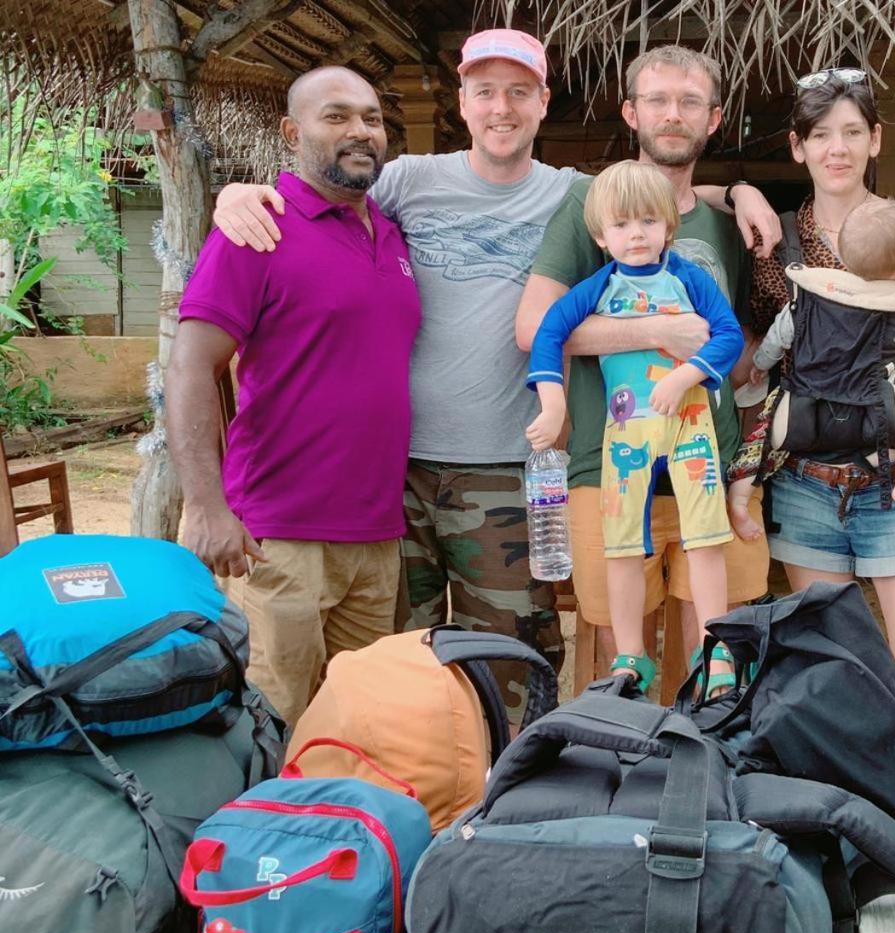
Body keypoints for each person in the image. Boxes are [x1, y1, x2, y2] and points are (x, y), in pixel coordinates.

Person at [211, 32, 776, 720]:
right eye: (485, 91)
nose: (501, 108)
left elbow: (657, 192)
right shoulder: (408, 180)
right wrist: (246, 192)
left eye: (518, 92)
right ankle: (419, 792)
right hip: (397, 470)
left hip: (511, 466)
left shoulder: (577, 194)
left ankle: (510, 795)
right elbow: (324, 189)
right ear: (462, 102)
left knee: (513, 657)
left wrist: (740, 190)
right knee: (401, 655)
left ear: (543, 103)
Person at [749, 68, 895, 822]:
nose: (836, 148)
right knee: (833, 686)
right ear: (799, 147)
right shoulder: (777, 239)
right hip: (806, 487)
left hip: (894, 486)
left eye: (852, 131)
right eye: (820, 135)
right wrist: (731, 192)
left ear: (876, 139)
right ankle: (855, 849)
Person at [167, 67, 420, 728]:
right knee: (268, 726)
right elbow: (192, 365)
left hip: (375, 537)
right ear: (292, 132)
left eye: (371, 117)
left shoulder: (391, 236)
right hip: (277, 538)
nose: (360, 131)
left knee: (359, 729)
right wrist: (203, 504)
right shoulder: (258, 231)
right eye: (336, 116)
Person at [516, 46, 773, 676]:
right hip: (609, 460)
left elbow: (731, 344)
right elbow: (534, 330)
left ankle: (705, 768)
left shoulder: (721, 224)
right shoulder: (593, 209)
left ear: (713, 119)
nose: (672, 115)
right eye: (657, 100)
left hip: (706, 453)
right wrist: (664, 332)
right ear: (631, 111)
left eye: (689, 102)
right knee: (615, 652)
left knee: (714, 647)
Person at [526, 161, 745, 693]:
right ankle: (630, 654)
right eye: (622, 224)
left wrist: (686, 376)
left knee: (706, 539)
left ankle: (717, 649)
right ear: (601, 235)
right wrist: (552, 407)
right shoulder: (597, 287)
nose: (637, 235)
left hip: (691, 427)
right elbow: (547, 334)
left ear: (669, 226)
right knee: (622, 546)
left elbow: (728, 335)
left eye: (648, 221)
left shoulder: (687, 278)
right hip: (626, 438)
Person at [728, 197, 895, 538]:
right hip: (876, 408)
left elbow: (776, 339)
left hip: (804, 400)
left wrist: (760, 366)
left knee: (762, 440)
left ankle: (739, 498)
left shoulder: (811, 293)